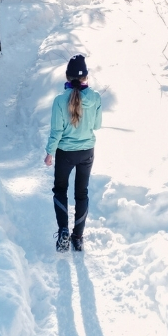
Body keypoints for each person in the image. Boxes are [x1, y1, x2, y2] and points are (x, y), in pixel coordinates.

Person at [45, 54, 102, 252]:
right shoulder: (95, 98)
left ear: (67, 77)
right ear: (85, 77)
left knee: (60, 190)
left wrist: (50, 152)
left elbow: (57, 130)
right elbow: (97, 125)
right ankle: (78, 237)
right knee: (82, 193)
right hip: (87, 152)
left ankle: (63, 231)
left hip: (65, 152)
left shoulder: (60, 101)